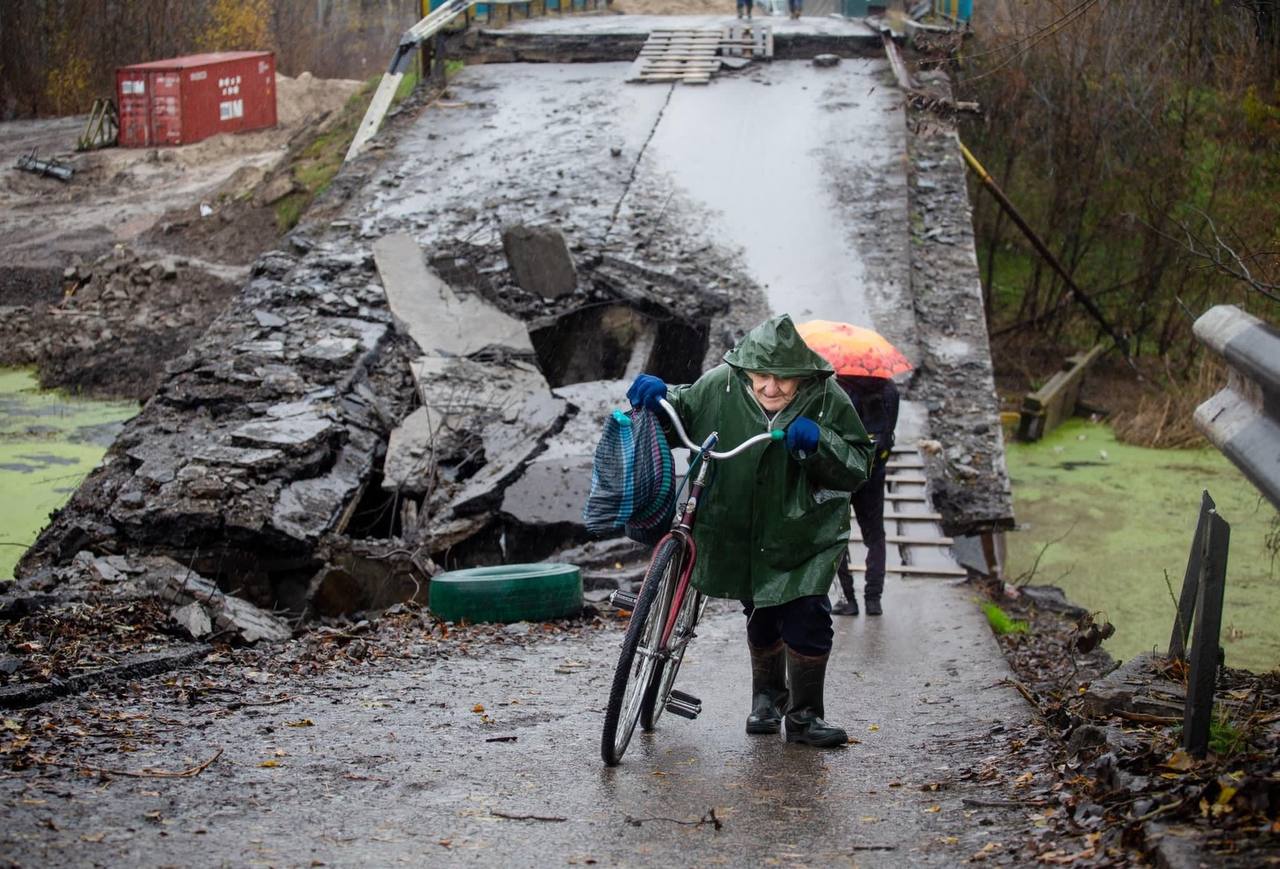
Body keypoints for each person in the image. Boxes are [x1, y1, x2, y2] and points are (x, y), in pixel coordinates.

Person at [626, 314, 873, 748]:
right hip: (737, 526)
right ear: (746, 371)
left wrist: (819, 443)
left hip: (803, 533)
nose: (771, 388)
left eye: (784, 379)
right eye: (761, 376)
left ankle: (805, 717)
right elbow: (683, 407)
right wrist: (659, 396)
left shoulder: (828, 398)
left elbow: (858, 464)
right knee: (760, 614)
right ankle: (766, 701)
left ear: (802, 376)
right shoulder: (722, 384)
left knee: (806, 618)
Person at [831, 375, 899, 617]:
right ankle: (873, 600)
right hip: (875, 472)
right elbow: (890, 431)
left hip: (844, 473)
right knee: (875, 536)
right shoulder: (890, 389)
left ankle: (848, 599)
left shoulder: (840, 389)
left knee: (836, 535)